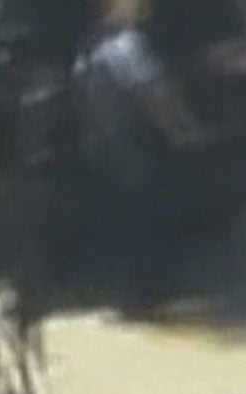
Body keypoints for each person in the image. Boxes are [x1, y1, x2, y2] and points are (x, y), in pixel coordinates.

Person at [69, 0, 206, 312]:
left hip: (105, 147)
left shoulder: (90, 45)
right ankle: (151, 291)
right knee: (149, 219)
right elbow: (154, 92)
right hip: (134, 145)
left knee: (128, 220)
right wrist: (183, 130)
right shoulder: (126, 46)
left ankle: (139, 289)